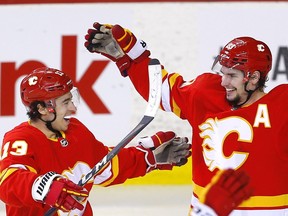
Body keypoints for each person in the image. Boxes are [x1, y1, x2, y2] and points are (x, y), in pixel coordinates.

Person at [84, 22, 288, 215]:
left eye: (232, 75)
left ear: (253, 78)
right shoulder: (206, 93)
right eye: (222, 73)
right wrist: (133, 57)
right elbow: (162, 91)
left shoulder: (282, 106)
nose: (224, 82)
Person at [0, 67, 192, 216]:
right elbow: (9, 180)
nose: (72, 108)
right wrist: (47, 187)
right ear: (42, 109)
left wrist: (148, 158)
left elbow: (105, 165)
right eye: (65, 102)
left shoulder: (76, 132)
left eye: (71, 100)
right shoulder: (20, 139)